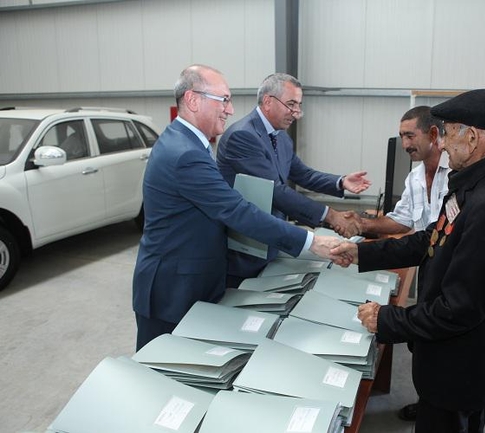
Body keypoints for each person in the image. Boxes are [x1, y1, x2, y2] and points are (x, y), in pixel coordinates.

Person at [331, 89, 485, 433]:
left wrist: (388, 319)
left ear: (472, 138)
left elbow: (460, 308)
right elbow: (433, 239)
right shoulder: (479, 183)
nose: (443, 144)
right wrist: (361, 253)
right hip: (465, 356)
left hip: (463, 365)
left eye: (449, 133)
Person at [132, 65, 339, 351]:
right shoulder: (185, 154)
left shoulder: (188, 143)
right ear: (193, 100)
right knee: (164, 366)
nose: (230, 110)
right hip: (173, 291)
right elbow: (236, 211)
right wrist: (311, 242)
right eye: (224, 100)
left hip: (191, 279)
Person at [216, 73, 371, 286]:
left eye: (298, 105)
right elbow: (276, 191)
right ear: (268, 101)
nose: (296, 113)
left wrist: (340, 181)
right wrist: (331, 216)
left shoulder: (280, 136)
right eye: (291, 104)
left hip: (272, 242)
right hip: (246, 249)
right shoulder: (243, 136)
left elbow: (302, 174)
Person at [341, 106, 451, 239]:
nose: (405, 145)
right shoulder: (414, 178)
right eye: (402, 137)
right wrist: (361, 223)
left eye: (410, 136)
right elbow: (401, 220)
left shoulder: (455, 174)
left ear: (433, 134)